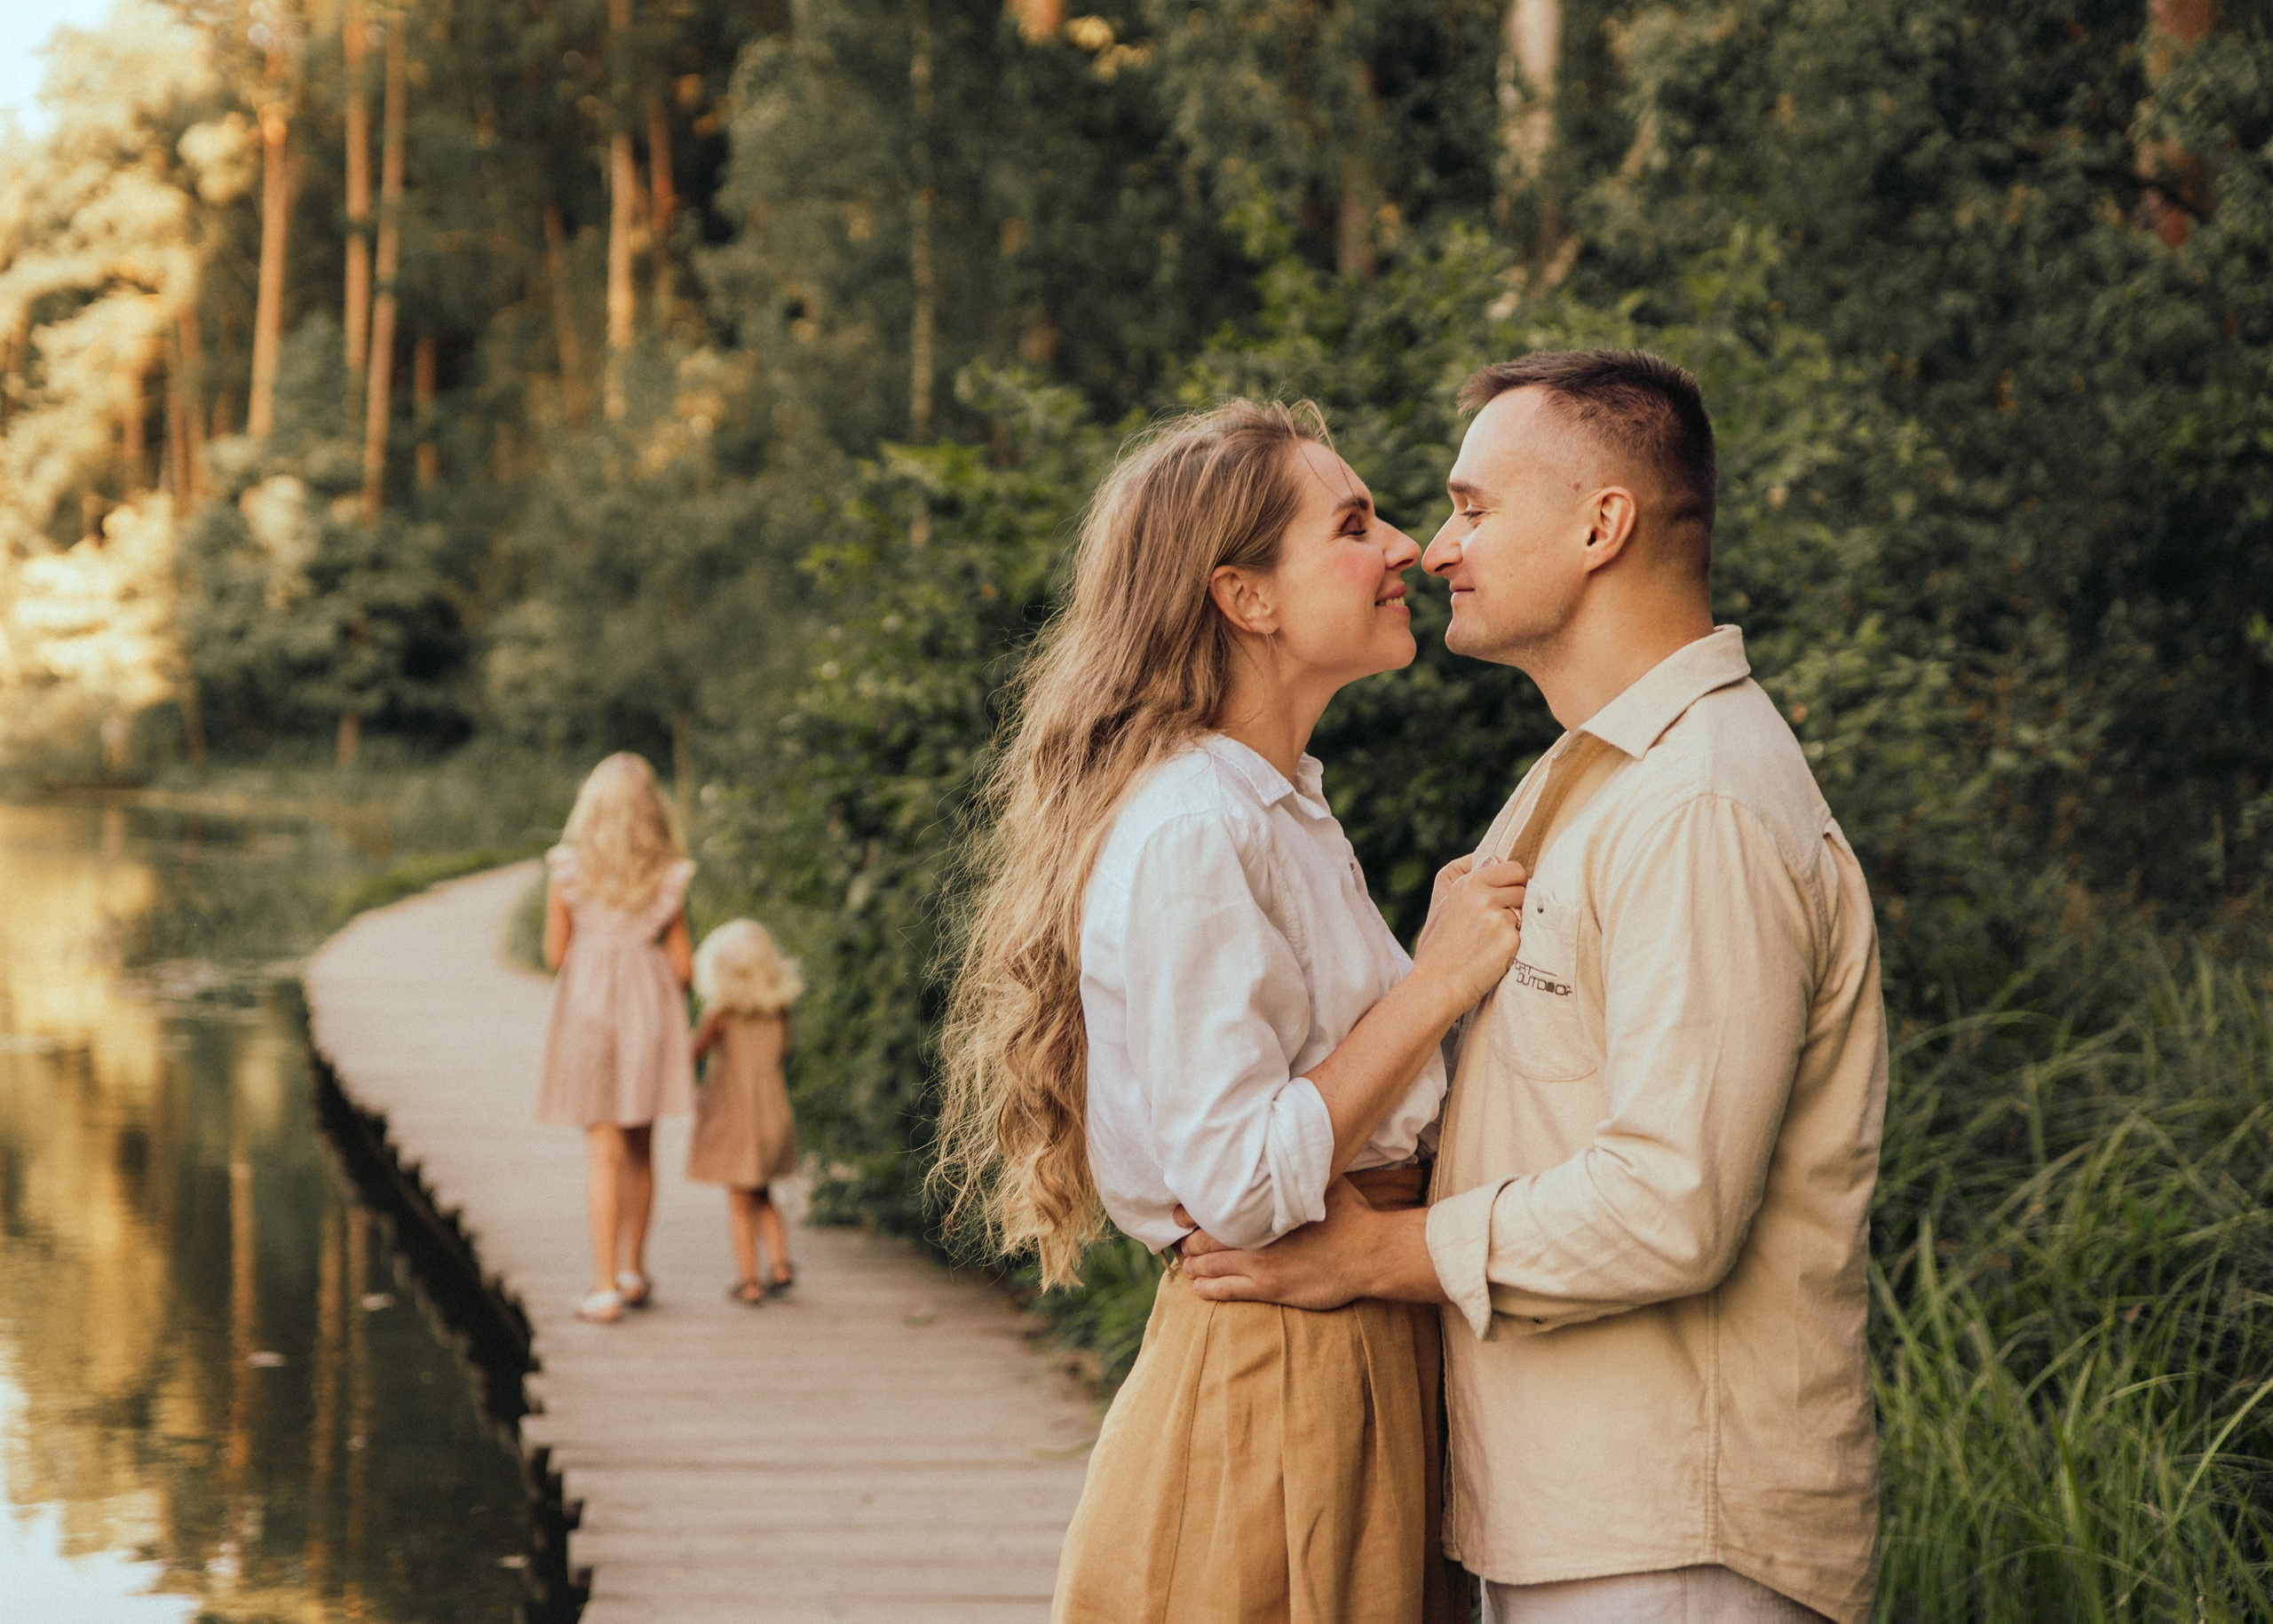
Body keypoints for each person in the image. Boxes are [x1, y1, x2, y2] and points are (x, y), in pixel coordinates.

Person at [1183, 351, 1889, 1623]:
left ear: (1601, 525)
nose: (1434, 546)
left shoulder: (1699, 806)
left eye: (1473, 507)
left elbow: (1672, 1202)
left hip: (1673, 1539)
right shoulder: (1588, 779)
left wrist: (1376, 1253)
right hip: (1576, 1519)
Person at [934, 399, 1532, 1624]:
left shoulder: (1269, 807)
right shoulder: (1200, 827)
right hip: (1281, 1382)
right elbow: (1241, 1187)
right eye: (1356, 525)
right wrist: (1435, 984)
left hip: (1345, 1352)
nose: (1408, 547)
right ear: (1245, 598)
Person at [535, 751, 697, 1326]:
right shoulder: (669, 873)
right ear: (653, 810)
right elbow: (683, 966)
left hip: (588, 1013)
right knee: (639, 1147)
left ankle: (602, 1288)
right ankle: (632, 1269)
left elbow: (555, 953)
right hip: (648, 1013)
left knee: (601, 1152)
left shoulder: (567, 868)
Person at [685, 918, 804, 1303]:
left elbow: (691, 1053)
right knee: (764, 1194)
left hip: (733, 1113)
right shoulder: (779, 1011)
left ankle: (750, 1281)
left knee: (739, 1203)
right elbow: (781, 1053)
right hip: (771, 1110)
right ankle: (781, 1263)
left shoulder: (720, 1014)